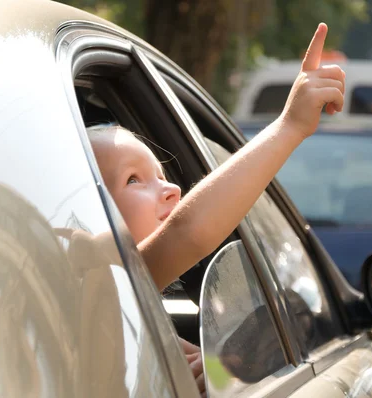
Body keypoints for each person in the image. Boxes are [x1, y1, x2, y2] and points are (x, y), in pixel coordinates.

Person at [87, 23, 345, 396]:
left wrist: (214, 375)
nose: (173, 189)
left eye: (162, 175)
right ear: (88, 211)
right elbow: (188, 231)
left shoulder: (138, 309)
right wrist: (290, 126)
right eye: (133, 180)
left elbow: (197, 372)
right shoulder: (103, 285)